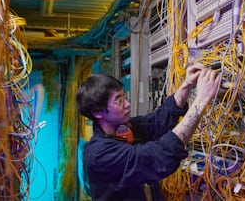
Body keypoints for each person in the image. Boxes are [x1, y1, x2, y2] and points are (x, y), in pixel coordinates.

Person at [75, 63, 220, 201]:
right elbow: (158, 156)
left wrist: (186, 85)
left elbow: (157, 121)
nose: (127, 104)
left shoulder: (122, 129)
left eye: (124, 97)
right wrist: (201, 100)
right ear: (98, 113)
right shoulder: (100, 155)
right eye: (118, 101)